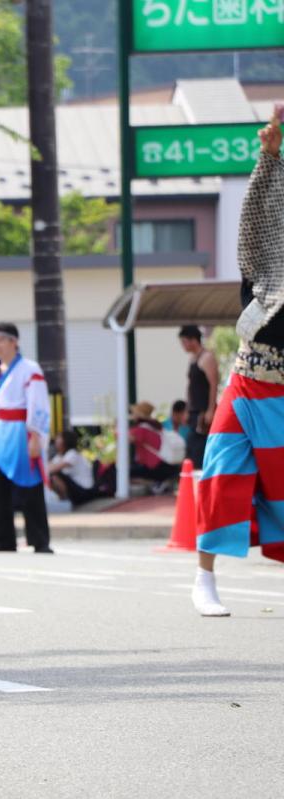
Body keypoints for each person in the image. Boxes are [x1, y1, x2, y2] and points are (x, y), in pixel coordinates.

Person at [193, 111, 284, 616]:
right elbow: (257, 214)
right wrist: (268, 155)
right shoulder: (267, 262)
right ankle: (204, 579)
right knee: (222, 474)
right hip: (249, 380)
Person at [0, 323, 52, 553]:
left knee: (29, 486)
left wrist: (35, 435)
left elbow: (38, 402)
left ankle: (39, 540)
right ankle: (3, 539)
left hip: (20, 430)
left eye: (1, 340)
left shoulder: (29, 368)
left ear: (14, 342)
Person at [178, 325, 218, 468]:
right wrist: (187, 409)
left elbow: (214, 384)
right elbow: (190, 386)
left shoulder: (207, 357)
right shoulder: (193, 359)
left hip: (204, 412)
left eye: (184, 341)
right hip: (194, 412)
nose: (183, 346)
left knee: (199, 448)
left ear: (193, 340)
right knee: (191, 447)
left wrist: (211, 409)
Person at [129, 401, 183, 489]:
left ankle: (153, 483)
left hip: (155, 468)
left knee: (124, 472)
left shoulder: (141, 429)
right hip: (168, 466)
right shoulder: (156, 426)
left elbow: (124, 437)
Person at [48, 430, 99, 508]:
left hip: (85, 490)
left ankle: (64, 500)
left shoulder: (72, 454)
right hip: (76, 489)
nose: (56, 440)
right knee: (52, 475)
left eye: (59, 438)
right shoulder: (59, 456)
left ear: (65, 441)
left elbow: (52, 469)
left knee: (55, 475)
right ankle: (60, 499)